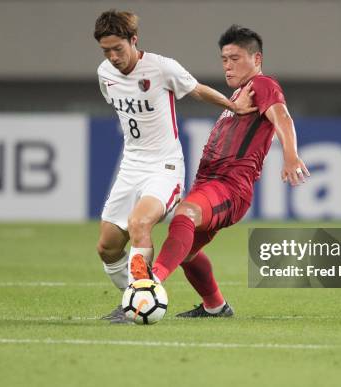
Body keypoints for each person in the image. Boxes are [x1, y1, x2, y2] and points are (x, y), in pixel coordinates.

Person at [130, 24, 310, 317]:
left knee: (185, 215)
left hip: (230, 186)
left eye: (236, 58)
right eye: (224, 59)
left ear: (257, 59)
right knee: (185, 252)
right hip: (209, 184)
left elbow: (283, 117)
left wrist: (290, 154)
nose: (228, 66)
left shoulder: (262, 85)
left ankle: (149, 284)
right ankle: (215, 306)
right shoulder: (239, 98)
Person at [93, 11, 256, 323]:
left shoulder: (160, 67)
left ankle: (137, 303)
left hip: (163, 167)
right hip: (131, 167)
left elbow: (196, 89)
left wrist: (232, 105)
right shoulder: (105, 74)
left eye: (118, 49)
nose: (113, 57)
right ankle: (137, 296)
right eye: (106, 51)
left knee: (140, 223)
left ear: (133, 40)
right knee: (107, 247)